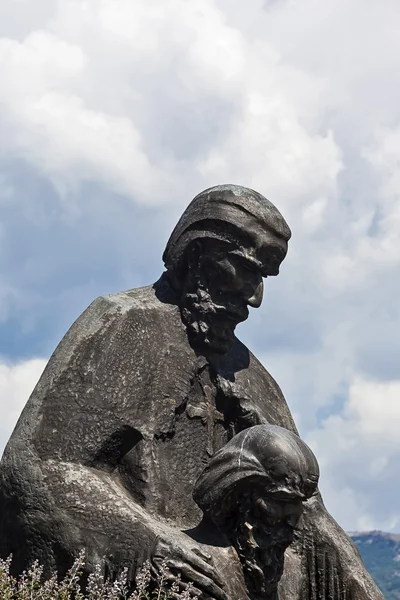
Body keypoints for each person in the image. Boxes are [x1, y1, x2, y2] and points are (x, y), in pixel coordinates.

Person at [0, 185, 383, 599]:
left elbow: (310, 517)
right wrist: (151, 545)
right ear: (200, 255)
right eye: (245, 269)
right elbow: (38, 467)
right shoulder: (124, 327)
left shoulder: (253, 375)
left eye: (264, 277)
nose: (255, 297)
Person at [193, 424, 320, 600]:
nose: (295, 522)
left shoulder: (293, 574)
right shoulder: (183, 565)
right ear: (238, 493)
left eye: (299, 503)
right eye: (283, 501)